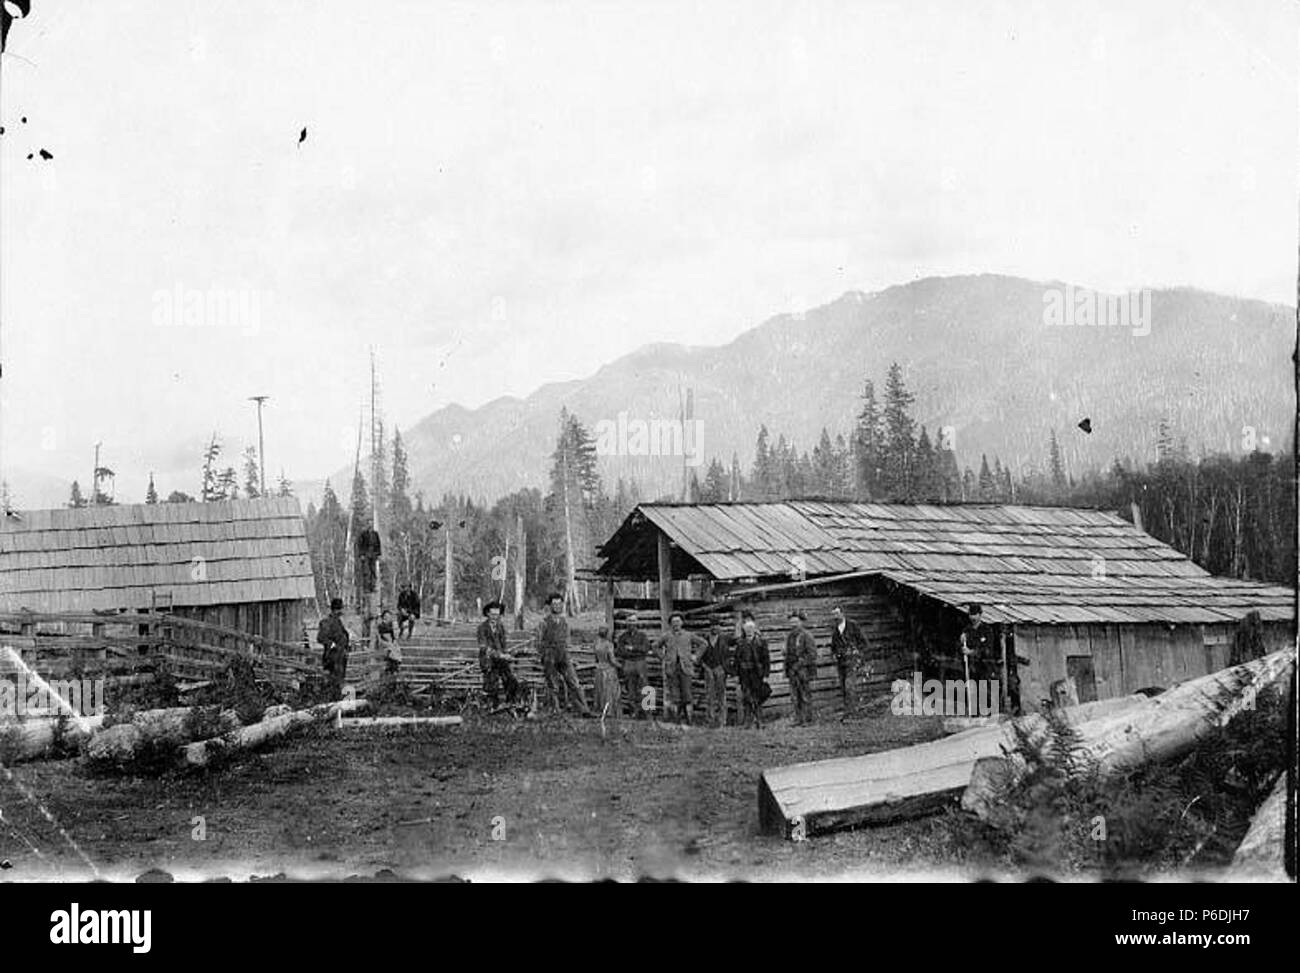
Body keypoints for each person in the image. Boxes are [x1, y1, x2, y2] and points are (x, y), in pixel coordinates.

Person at [535, 593, 591, 715]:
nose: (557, 606)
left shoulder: (564, 622)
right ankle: (555, 710)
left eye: (559, 604)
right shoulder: (544, 623)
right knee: (553, 684)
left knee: (574, 682)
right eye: (554, 604)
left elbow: (567, 640)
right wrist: (545, 656)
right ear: (550, 606)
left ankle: (584, 710)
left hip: (563, 655)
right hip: (550, 656)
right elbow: (538, 642)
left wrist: (568, 654)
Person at [656, 613, 707, 725]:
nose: (676, 624)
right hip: (672, 669)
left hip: (686, 668)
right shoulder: (666, 636)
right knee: (675, 695)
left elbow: (703, 644)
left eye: (678, 622)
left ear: (682, 623)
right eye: (673, 622)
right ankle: (676, 720)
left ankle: (689, 720)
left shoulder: (688, 635)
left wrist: (696, 656)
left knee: (687, 694)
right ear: (670, 624)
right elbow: (655, 646)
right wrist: (664, 658)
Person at [477, 600, 520, 710]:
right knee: (492, 681)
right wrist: (500, 655)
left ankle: (510, 702)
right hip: (488, 660)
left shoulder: (501, 627)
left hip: (501, 659)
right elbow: (484, 647)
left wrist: (506, 654)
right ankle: (492, 705)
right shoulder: (482, 628)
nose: (495, 617)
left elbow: (503, 644)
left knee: (510, 678)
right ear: (487, 613)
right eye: (493, 614)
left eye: (497, 614)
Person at [697, 616, 736, 727]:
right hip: (708, 670)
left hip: (720, 670)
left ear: (720, 627)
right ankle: (710, 720)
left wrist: (725, 667)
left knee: (721, 695)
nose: (715, 627)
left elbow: (738, 641)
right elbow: (698, 656)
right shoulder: (704, 639)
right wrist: (705, 667)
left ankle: (722, 721)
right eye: (713, 625)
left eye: (717, 625)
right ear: (710, 627)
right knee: (709, 696)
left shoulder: (725, 638)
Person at [732, 617, 770, 728]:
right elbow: (736, 660)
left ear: (754, 629)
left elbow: (766, 659)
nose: (749, 630)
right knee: (746, 697)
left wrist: (766, 674)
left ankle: (760, 721)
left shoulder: (761, 642)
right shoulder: (740, 643)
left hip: (756, 673)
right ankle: (747, 722)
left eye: (751, 628)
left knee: (757, 697)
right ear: (744, 630)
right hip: (744, 674)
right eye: (747, 628)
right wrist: (735, 674)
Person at [829, 606, 868, 711]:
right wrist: (834, 654)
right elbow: (833, 646)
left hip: (852, 661)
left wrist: (857, 653)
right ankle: (848, 710)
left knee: (849, 686)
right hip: (841, 662)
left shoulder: (852, 625)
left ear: (842, 613)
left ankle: (852, 711)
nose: (835, 617)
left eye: (837, 614)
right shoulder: (835, 630)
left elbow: (864, 642)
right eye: (833, 615)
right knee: (843, 687)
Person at [615, 611, 652, 718]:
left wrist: (633, 648)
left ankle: (647, 712)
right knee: (630, 688)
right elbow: (621, 651)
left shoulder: (642, 636)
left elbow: (645, 649)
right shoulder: (622, 637)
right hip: (628, 663)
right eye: (630, 621)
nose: (632, 623)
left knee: (645, 686)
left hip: (641, 663)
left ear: (637, 622)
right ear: (626, 622)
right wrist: (633, 652)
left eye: (634, 621)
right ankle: (634, 712)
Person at [784, 609, 819, 726]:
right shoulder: (790, 636)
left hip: (803, 670)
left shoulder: (807, 635)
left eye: (796, 622)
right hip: (792, 670)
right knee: (795, 696)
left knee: (805, 695)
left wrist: (800, 664)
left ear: (801, 622)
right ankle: (798, 719)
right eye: (791, 622)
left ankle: (808, 719)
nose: (793, 624)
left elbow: (812, 654)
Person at [316, 597, 351, 694]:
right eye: (339, 609)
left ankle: (336, 700)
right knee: (333, 680)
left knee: (339, 679)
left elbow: (343, 636)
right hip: (332, 657)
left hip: (340, 656)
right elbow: (321, 638)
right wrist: (333, 645)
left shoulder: (338, 621)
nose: (341, 611)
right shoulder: (326, 622)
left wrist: (346, 647)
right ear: (336, 610)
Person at [592, 626, 622, 721]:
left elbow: (596, 658)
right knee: (609, 692)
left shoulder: (596, 644)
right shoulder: (609, 645)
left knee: (600, 691)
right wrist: (620, 665)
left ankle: (600, 710)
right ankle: (609, 711)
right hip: (608, 670)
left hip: (599, 669)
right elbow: (612, 660)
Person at [377, 608, 401, 676]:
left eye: (388, 616)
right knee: (392, 650)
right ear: (383, 617)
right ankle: (395, 665)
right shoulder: (381, 625)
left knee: (395, 649)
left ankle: (395, 667)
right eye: (386, 616)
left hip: (390, 642)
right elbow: (382, 636)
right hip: (384, 642)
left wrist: (394, 641)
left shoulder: (391, 625)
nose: (387, 618)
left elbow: (395, 636)